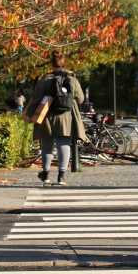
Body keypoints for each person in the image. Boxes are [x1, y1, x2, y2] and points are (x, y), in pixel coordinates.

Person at [25, 50, 86, 185]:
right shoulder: (72, 79)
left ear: (52, 64)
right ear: (64, 64)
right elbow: (81, 99)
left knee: (46, 145)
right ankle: (61, 176)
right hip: (66, 116)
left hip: (47, 115)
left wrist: (29, 114)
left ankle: (46, 174)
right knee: (63, 144)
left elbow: (36, 98)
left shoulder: (46, 79)